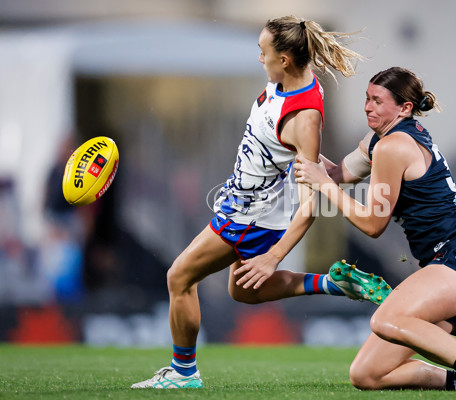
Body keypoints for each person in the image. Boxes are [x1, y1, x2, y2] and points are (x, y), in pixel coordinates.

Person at [131, 16, 390, 389]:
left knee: (179, 277)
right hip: (245, 208)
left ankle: (183, 373)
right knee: (241, 290)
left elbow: (310, 204)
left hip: (249, 218)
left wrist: (274, 256)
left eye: (263, 52)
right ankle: (332, 283)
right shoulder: (286, 83)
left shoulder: (303, 118)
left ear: (284, 58)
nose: (259, 59)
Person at [293, 67, 456, 392]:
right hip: (455, 263)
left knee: (383, 320)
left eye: (378, 100)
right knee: (367, 373)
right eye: (367, 98)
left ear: (405, 108)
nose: (368, 107)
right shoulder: (380, 140)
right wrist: (296, 150)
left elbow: (372, 224)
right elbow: (338, 174)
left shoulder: (393, 146)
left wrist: (322, 185)